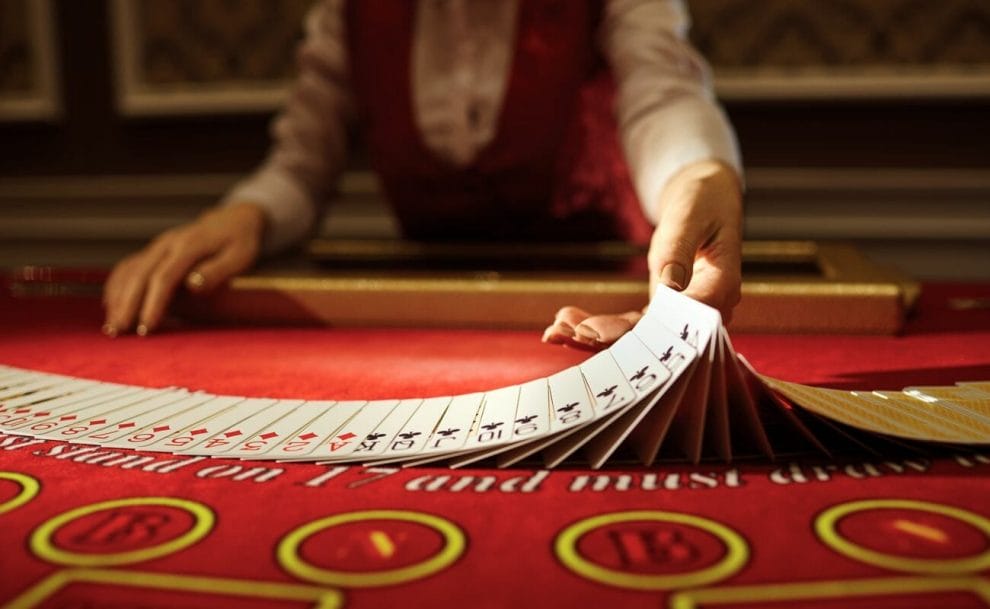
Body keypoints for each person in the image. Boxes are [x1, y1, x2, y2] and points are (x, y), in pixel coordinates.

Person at [102, 0, 743, 349]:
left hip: (608, 307)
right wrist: (243, 215)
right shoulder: (348, 11)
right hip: (427, 323)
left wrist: (699, 177)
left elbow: (663, 97)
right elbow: (301, 166)